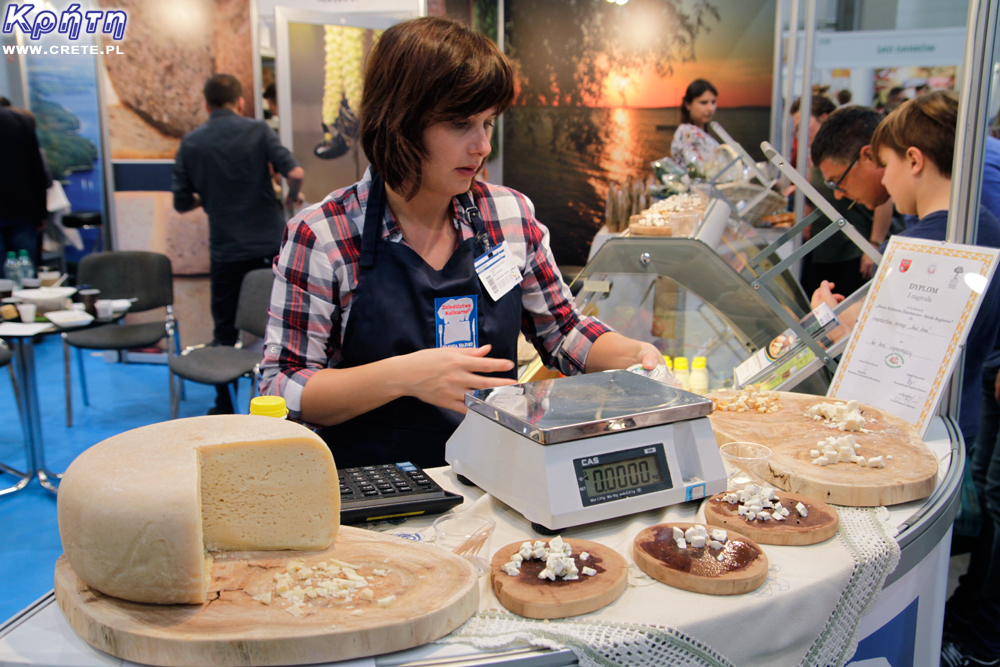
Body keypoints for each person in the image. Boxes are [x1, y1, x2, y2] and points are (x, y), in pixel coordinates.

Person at [259, 17, 662, 469]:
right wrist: (404, 376)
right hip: (373, 490)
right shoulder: (324, 234)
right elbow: (281, 387)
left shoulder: (508, 216)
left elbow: (562, 331)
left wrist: (631, 354)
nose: (482, 146)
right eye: (460, 124)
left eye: (488, 123)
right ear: (400, 120)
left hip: (495, 476)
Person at [173, 73, 305, 414]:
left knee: (225, 330)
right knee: (282, 327)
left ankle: (224, 406)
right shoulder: (259, 131)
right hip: (268, 244)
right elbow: (296, 173)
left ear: (206, 104)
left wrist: (214, 195)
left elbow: (182, 202)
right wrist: (291, 198)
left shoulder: (191, 143)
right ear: (241, 102)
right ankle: (278, 404)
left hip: (226, 248)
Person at [792, 96, 887, 297]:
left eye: (803, 125)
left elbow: (884, 201)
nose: (838, 193)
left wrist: (874, 243)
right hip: (827, 246)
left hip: (851, 245)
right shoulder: (822, 157)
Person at [0, 104, 48, 262]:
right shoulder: (22, 121)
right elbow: (37, 170)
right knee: (26, 274)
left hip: (21, 211)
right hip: (24, 210)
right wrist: (41, 213)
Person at [670, 79, 720, 172]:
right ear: (688, 104)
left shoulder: (700, 133)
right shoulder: (687, 133)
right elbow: (700, 171)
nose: (710, 108)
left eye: (713, 102)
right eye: (704, 102)